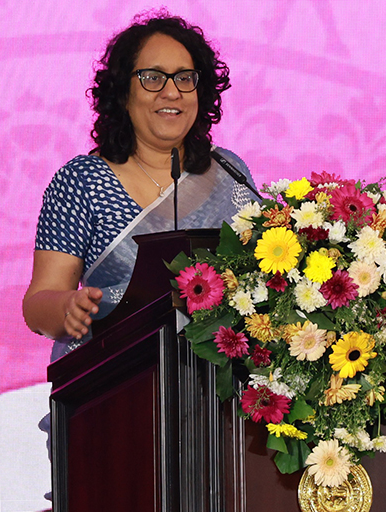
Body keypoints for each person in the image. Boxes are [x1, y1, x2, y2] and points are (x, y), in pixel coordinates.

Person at [22, 12, 255, 361]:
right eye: (152, 78)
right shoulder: (83, 181)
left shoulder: (229, 171)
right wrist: (67, 307)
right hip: (116, 386)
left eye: (185, 78)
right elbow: (38, 303)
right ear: (123, 93)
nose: (172, 92)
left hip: (220, 394)